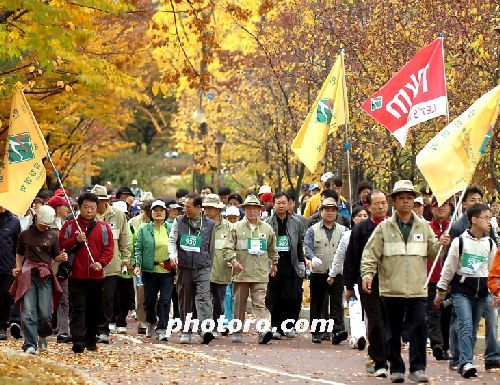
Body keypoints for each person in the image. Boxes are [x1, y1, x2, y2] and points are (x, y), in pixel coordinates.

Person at [361, 180, 450, 383]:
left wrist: (442, 244)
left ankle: (418, 369)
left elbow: (433, 252)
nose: (406, 202)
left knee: (419, 329)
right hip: (391, 290)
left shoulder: (424, 227)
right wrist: (367, 275)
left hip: (418, 290)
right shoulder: (384, 228)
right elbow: (370, 254)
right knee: (392, 333)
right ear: (394, 201)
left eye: (409, 198)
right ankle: (396, 369)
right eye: (401, 198)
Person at [435, 203, 497, 378]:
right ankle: (466, 363)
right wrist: (440, 292)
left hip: (482, 293)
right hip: (462, 292)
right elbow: (448, 269)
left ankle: (464, 359)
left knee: (473, 328)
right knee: (465, 325)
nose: (489, 221)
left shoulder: (490, 244)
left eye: (489, 217)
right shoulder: (459, 242)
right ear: (474, 220)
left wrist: (495, 292)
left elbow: (492, 271)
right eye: (485, 217)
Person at [448, 185, 500, 371]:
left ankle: (492, 356)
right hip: (462, 287)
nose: (477, 202)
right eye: (473, 200)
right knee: (463, 324)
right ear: (465, 206)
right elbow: (451, 262)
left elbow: (492, 261)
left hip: (483, 288)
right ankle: (461, 360)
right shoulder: (457, 230)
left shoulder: (489, 236)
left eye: (480, 199)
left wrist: (495, 289)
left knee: (488, 319)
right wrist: (443, 288)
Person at [60, 192, 114, 353]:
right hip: (76, 274)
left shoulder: (103, 228)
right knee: (77, 308)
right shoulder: (70, 226)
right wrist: (74, 240)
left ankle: (91, 338)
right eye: (85, 207)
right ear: (79, 207)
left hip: (96, 276)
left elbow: (109, 249)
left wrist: (101, 262)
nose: (89, 211)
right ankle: (78, 339)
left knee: (94, 308)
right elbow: (61, 244)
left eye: (92, 207)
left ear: (97, 208)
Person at [343, 190, 389, 376]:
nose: (380, 207)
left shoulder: (394, 226)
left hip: (393, 282)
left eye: (383, 203)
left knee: (389, 322)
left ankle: (378, 354)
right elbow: (351, 258)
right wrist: (349, 286)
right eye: (376, 203)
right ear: (369, 207)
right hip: (368, 283)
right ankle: (379, 361)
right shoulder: (361, 229)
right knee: (376, 321)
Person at [223, 195, 279, 344]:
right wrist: (234, 261)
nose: (252, 211)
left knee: (260, 303)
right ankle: (237, 330)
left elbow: (272, 249)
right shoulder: (235, 227)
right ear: (244, 210)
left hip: (260, 273)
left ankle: (264, 330)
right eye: (249, 208)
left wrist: (274, 263)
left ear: (260, 210)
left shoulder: (267, 228)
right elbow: (227, 248)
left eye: (255, 208)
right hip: (241, 274)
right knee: (239, 304)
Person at [11, 206, 65, 354]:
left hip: (45, 275)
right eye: (42, 224)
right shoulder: (25, 235)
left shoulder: (53, 236)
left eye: (47, 225)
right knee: (28, 311)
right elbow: (19, 253)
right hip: (28, 273)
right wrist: (18, 268)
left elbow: (56, 256)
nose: (44, 228)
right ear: (36, 220)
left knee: (45, 312)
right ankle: (30, 343)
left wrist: (61, 258)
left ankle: (42, 335)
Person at [168, 194, 215, 344]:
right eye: (184, 206)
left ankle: (205, 329)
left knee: (204, 297)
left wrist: (209, 263)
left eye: (188, 207)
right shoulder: (179, 221)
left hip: (203, 266)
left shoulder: (210, 224)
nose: (185, 209)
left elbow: (211, 247)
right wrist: (173, 255)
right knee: (185, 299)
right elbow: (172, 240)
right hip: (184, 267)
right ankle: (186, 331)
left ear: (198, 208)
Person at [304, 197, 347, 344]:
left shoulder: (343, 230)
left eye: (333, 210)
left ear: (337, 213)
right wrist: (312, 257)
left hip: (336, 273)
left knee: (337, 303)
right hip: (319, 272)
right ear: (321, 211)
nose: (330, 212)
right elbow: (307, 246)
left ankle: (338, 331)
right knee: (317, 303)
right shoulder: (313, 230)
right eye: (326, 209)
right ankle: (317, 332)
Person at [91, 185, 131, 342]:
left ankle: (103, 330)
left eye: (99, 201)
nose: (95, 205)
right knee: (93, 297)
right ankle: (92, 328)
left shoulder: (118, 215)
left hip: (112, 265)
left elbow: (124, 238)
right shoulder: (87, 216)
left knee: (107, 298)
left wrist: (126, 258)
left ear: (106, 200)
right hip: (91, 266)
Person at [328, 206, 369, 349]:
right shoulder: (347, 236)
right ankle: (358, 337)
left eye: (365, 215)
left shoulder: (374, 234)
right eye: (359, 216)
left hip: (370, 280)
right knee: (355, 308)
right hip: (352, 280)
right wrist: (333, 274)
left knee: (368, 310)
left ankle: (366, 335)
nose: (362, 218)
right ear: (353, 218)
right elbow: (339, 257)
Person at [266, 192, 305, 339]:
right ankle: (276, 327)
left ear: (289, 204)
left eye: (284, 202)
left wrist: (302, 262)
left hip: (291, 264)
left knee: (291, 297)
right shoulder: (267, 223)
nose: (281, 205)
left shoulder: (296, 222)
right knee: (273, 297)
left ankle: (289, 326)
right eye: (278, 202)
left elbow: (300, 243)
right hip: (273, 264)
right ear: (273, 204)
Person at [134, 200, 174, 341]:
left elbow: (176, 246)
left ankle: (162, 328)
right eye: (155, 210)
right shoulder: (144, 228)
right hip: (149, 271)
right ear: (150, 213)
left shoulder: (171, 227)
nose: (158, 212)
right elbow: (138, 248)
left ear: (165, 213)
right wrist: (137, 265)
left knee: (165, 300)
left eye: (161, 210)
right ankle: (151, 321)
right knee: (149, 301)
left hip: (167, 271)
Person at [426, 197, 452, 361]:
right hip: (432, 277)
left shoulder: (455, 228)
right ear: (432, 209)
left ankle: (445, 345)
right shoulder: (427, 228)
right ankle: (437, 344)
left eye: (444, 205)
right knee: (433, 311)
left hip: (450, 279)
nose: (440, 209)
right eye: (437, 206)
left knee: (447, 312)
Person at [202, 194, 232, 332]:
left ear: (218, 209)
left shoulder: (230, 228)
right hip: (203, 270)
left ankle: (217, 323)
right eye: (205, 207)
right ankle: (207, 326)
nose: (207, 211)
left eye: (210, 208)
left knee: (219, 302)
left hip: (222, 270)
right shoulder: (200, 225)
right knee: (204, 300)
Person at [48, 195, 73, 343]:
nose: (68, 209)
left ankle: (63, 331)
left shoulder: (68, 224)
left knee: (64, 299)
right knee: (46, 299)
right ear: (58, 209)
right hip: (48, 267)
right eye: (66, 206)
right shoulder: (45, 225)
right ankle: (43, 328)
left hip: (64, 268)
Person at [128, 200, 153, 335]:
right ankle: (142, 322)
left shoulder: (159, 223)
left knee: (155, 294)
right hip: (138, 264)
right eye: (144, 211)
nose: (146, 215)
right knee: (140, 292)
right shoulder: (133, 222)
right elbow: (128, 241)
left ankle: (153, 319)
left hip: (155, 264)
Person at [0, 206, 21, 340]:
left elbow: (18, 246)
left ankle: (2, 326)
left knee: (4, 296)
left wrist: (17, 265)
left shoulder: (13, 221)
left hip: (7, 266)